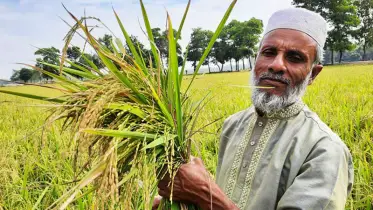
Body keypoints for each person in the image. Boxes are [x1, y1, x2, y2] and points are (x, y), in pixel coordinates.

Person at [156, 8, 354, 210]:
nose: (276, 65)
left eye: (294, 58)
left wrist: (205, 195)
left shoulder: (325, 150)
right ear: (256, 59)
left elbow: (212, 200)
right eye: (268, 53)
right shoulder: (233, 124)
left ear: (313, 74)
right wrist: (185, 201)